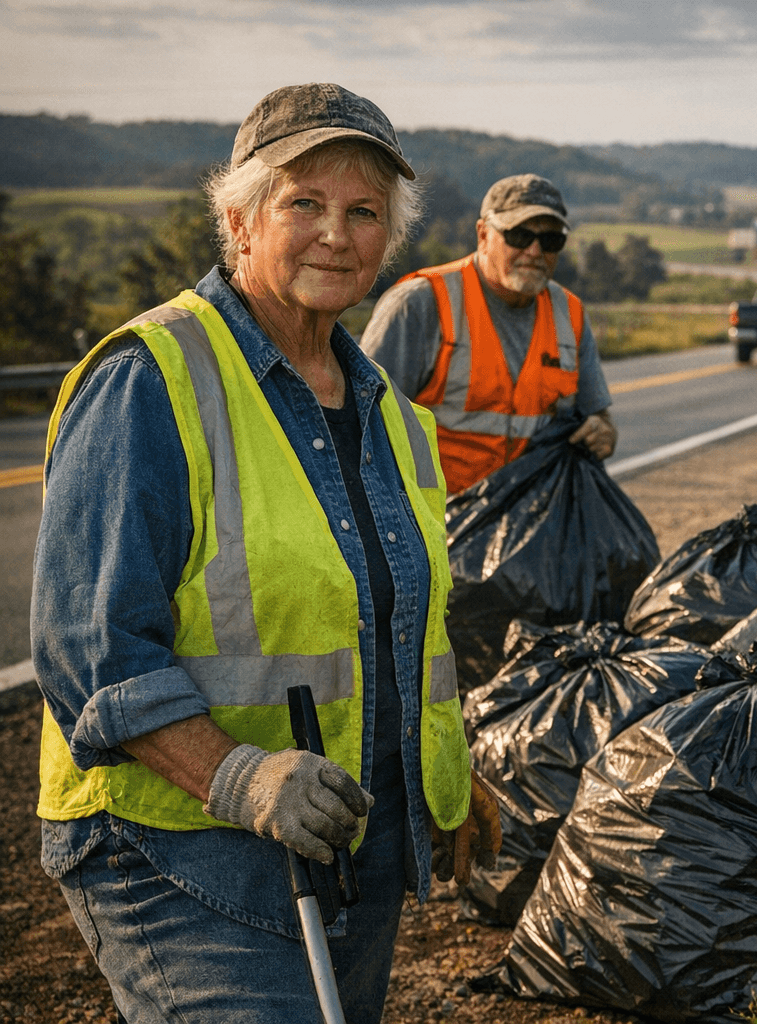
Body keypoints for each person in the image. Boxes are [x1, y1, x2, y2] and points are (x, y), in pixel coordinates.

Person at [31, 83, 500, 1024]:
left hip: (340, 845)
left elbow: (386, 624)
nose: (338, 233)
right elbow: (88, 644)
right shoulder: (150, 380)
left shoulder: (394, 420)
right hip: (177, 848)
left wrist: (439, 770)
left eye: (364, 211)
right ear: (240, 223)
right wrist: (236, 775)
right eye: (305, 204)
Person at [360, 173, 615, 494]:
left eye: (550, 241)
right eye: (519, 236)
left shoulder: (570, 313)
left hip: (534, 523)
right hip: (439, 522)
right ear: (483, 234)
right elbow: (362, 426)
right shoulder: (421, 303)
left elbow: (600, 419)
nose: (535, 251)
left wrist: (602, 432)